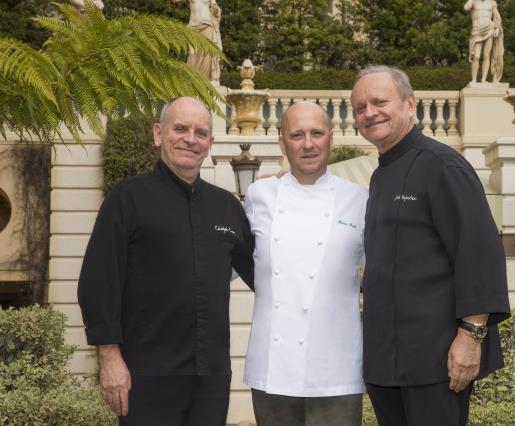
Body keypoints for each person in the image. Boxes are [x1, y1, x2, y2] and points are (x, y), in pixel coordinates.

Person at [77, 97, 254, 426]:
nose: (191, 138)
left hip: (211, 377)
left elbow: (266, 271)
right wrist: (109, 357)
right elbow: (98, 281)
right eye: (181, 129)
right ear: (159, 134)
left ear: (210, 144)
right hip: (146, 376)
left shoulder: (227, 207)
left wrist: (287, 196)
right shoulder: (126, 199)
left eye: (201, 132)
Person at [351, 65, 510, 425]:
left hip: (436, 362)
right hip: (386, 365)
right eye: (360, 107)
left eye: (379, 101)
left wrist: (471, 337)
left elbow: (479, 254)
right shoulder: (379, 176)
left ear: (410, 104)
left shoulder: (443, 166)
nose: (369, 112)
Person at [242, 101, 368, 426]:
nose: (308, 144)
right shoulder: (259, 195)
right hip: (272, 368)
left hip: (337, 368)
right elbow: (231, 261)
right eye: (297, 135)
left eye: (317, 133)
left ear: (331, 139)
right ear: (282, 143)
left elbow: (386, 273)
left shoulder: (360, 199)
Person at [464, 0, 504, 83]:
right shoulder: (474, 2)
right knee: (476, 56)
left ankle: (483, 79)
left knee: (486, 55)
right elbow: (466, 8)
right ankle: (474, 79)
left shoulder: (492, 3)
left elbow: (496, 17)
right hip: (477, 31)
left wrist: (497, 28)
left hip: (489, 29)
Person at [187, 0, 223, 83]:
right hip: (193, 26)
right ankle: (192, 81)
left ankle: (206, 81)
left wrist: (216, 10)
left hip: (207, 24)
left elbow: (215, 7)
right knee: (192, 54)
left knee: (207, 54)